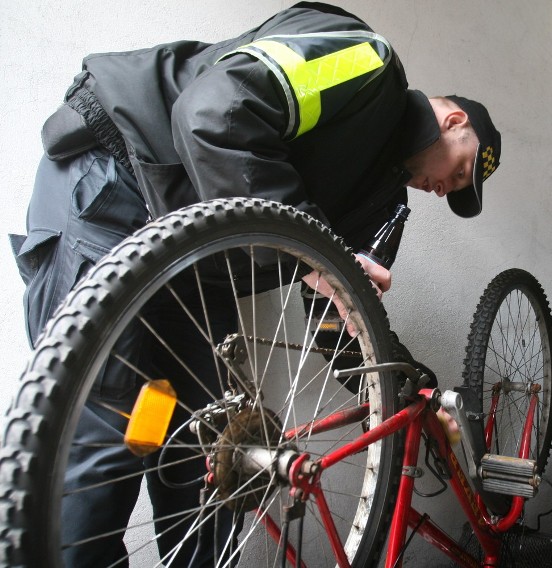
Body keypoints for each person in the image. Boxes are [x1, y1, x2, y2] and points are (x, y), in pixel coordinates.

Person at [10, 2, 501, 565]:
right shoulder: (367, 63)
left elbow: (341, 314)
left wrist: (411, 389)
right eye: (460, 173)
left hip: (191, 266)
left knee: (201, 449)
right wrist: (314, 242)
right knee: (109, 433)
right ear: (454, 120)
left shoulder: (384, 203)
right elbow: (214, 112)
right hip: (120, 186)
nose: (446, 189)